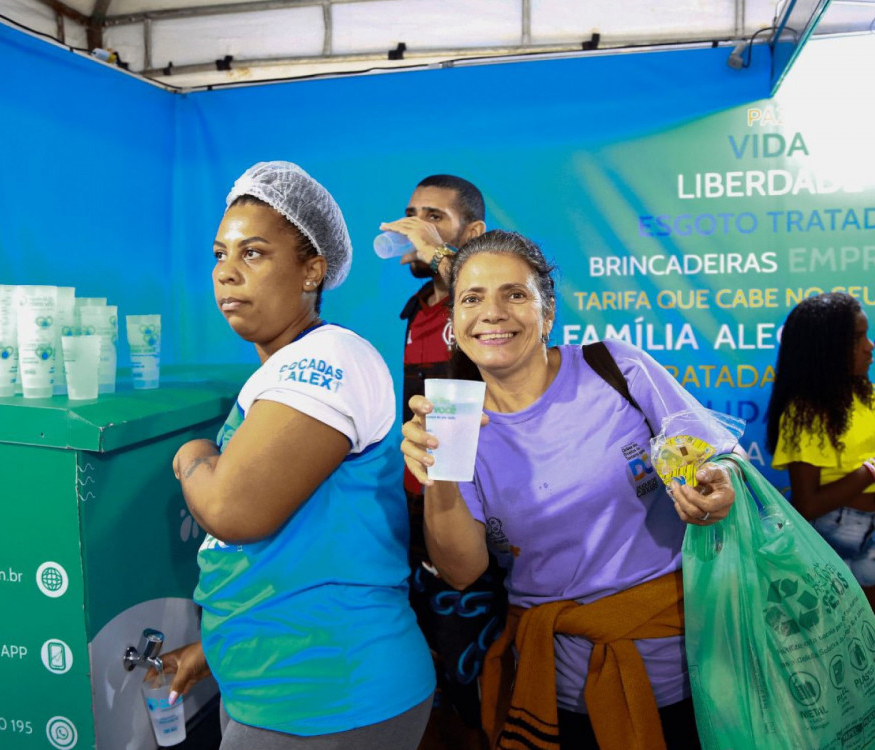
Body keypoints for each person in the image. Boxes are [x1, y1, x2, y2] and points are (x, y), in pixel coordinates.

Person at [400, 230, 738, 750]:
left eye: (514, 294)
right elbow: (461, 570)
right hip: (558, 692)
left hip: (698, 671)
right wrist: (437, 469)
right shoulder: (453, 420)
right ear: (454, 326)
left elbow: (715, 457)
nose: (492, 312)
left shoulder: (614, 367)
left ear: (547, 313)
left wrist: (717, 485)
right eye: (471, 297)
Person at [163, 161, 435, 749]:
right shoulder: (283, 370)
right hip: (282, 686)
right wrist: (214, 649)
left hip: (326, 694)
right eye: (219, 255)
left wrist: (192, 456)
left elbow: (234, 510)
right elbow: (303, 552)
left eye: (253, 253)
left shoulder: (331, 357)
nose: (227, 274)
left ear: (312, 270)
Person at [381, 175, 498, 749]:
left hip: (473, 519)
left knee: (476, 681)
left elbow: (484, 301)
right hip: (416, 516)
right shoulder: (416, 310)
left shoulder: (483, 307)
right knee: (427, 677)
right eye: (411, 215)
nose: (416, 227)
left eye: (435, 217)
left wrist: (448, 260)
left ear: (472, 234)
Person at [766, 291, 875, 664]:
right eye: (858, 338)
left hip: (863, 534)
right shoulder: (804, 410)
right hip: (826, 538)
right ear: (827, 347)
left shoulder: (862, 393)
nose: (871, 347)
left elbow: (861, 466)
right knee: (836, 657)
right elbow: (807, 504)